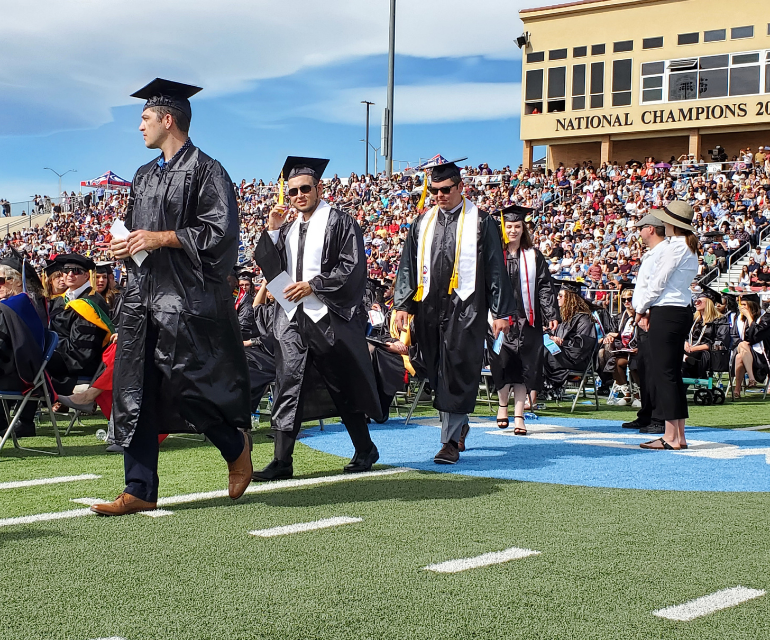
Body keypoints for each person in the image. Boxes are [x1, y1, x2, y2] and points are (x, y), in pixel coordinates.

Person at [94, 78, 253, 517]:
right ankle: (139, 487)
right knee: (135, 388)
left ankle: (233, 442)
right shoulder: (143, 176)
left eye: (145, 118)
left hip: (187, 301)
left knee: (188, 386)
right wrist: (125, 245)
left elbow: (221, 234)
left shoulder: (208, 170)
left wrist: (163, 237)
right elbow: (135, 231)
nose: (139, 126)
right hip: (142, 297)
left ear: (168, 119)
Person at [252, 156, 382, 480]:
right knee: (287, 384)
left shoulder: (340, 222)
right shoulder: (287, 229)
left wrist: (313, 285)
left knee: (341, 386)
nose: (299, 195)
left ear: (318, 187)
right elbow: (271, 269)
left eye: (305, 188)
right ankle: (282, 461)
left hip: (327, 318)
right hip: (292, 319)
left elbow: (352, 268)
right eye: (293, 190)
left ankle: (365, 448)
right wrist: (271, 231)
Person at [394, 158, 515, 464]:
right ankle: (459, 424)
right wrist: (401, 303)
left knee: (457, 369)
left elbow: (495, 268)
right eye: (434, 190)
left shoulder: (483, 221)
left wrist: (500, 311)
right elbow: (408, 265)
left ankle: (448, 441)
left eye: (446, 189)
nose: (439, 195)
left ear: (461, 187)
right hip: (428, 306)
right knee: (434, 369)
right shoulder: (422, 223)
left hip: (467, 307)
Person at [488, 204, 558, 436]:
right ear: (503, 228)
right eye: (509, 226)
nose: (514, 230)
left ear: (523, 229)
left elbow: (545, 286)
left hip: (527, 320)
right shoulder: (494, 255)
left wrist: (551, 314)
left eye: (518, 226)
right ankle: (502, 406)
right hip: (500, 319)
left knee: (523, 368)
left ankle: (519, 417)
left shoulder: (533, 256)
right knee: (502, 365)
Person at [635, 201, 699, 450]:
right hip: (679, 310)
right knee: (672, 374)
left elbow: (658, 282)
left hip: (668, 311)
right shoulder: (687, 246)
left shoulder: (675, 248)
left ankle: (672, 436)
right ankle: (678, 435)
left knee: (665, 374)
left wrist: (641, 309)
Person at [622, 215, 668, 433]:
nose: (639, 232)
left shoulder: (662, 252)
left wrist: (645, 311)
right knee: (644, 369)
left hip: (651, 315)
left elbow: (655, 286)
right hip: (643, 317)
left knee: (655, 369)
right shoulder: (654, 253)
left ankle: (658, 417)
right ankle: (647, 413)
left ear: (650, 229)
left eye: (641, 228)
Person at [47, 254, 113, 395]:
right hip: (63, 354)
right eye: (66, 270)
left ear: (86, 276)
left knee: (31, 363)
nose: (70, 274)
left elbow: (81, 352)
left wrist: (48, 346)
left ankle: (72, 389)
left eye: (76, 271)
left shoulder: (90, 303)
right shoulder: (61, 300)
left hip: (79, 361)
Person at [543, 280, 597, 390]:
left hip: (575, 359)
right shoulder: (562, 317)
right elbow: (553, 334)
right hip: (561, 354)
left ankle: (546, 388)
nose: (557, 298)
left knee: (544, 352)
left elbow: (582, 345)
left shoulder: (584, 319)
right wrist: (547, 333)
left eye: (561, 295)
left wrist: (562, 342)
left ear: (570, 298)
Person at [600, 284, 640, 406]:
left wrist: (639, 348)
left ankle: (639, 396)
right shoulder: (620, 317)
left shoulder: (643, 316)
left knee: (634, 362)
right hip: (624, 349)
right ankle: (627, 394)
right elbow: (621, 334)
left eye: (630, 299)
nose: (627, 302)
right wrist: (611, 336)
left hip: (640, 350)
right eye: (624, 300)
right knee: (614, 361)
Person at [682, 285, 731, 379]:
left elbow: (719, 342)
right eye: (695, 301)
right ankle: (687, 361)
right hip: (689, 350)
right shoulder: (694, 319)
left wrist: (693, 349)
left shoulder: (720, 320)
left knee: (691, 357)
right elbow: (685, 334)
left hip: (708, 353)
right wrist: (685, 342)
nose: (696, 303)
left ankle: (688, 362)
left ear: (708, 303)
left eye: (699, 301)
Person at [731, 292, 768, 398]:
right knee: (742, 346)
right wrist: (744, 344)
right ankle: (751, 379)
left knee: (740, 356)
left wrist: (749, 317)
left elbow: (757, 336)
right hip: (744, 351)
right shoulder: (739, 319)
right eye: (741, 305)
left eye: (744, 305)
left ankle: (737, 389)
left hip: (762, 356)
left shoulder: (765, 318)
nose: (741, 308)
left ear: (752, 305)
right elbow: (734, 337)